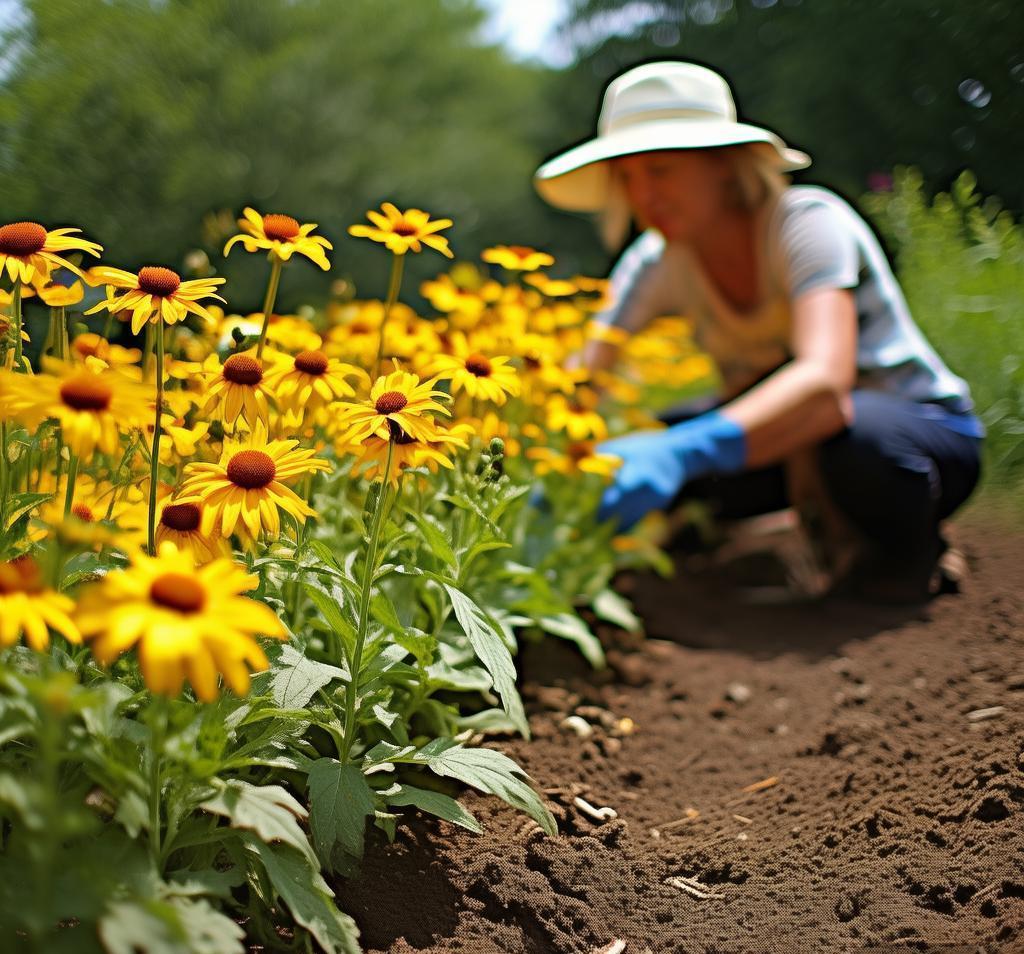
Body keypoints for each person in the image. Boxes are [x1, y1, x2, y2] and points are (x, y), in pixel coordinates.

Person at [532, 61, 984, 602]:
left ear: (723, 163)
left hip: (913, 432)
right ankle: (743, 554)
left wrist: (681, 449)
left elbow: (824, 383)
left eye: (659, 170)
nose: (641, 195)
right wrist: (543, 456)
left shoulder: (807, 222)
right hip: (787, 440)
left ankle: (906, 551)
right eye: (626, 177)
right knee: (647, 448)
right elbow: (588, 375)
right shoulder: (653, 262)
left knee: (857, 445)